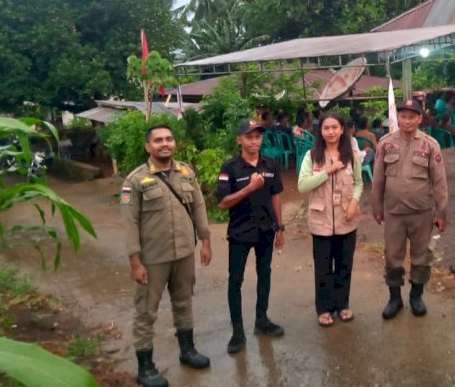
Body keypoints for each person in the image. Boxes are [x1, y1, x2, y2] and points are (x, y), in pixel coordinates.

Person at [120, 125, 212, 387]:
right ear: (148, 146)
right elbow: (129, 223)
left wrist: (205, 239)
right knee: (146, 311)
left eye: (169, 139)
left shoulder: (185, 172)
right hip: (153, 258)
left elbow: (199, 206)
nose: (165, 144)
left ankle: (188, 350)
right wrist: (134, 261)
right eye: (158, 140)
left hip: (184, 252)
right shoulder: (135, 181)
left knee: (183, 302)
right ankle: (146, 366)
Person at [371, 98, 448, 319]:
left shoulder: (430, 144)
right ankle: (394, 298)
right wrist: (377, 207)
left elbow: (440, 182)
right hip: (393, 213)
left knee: (421, 256)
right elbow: (377, 180)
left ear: (419, 119)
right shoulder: (385, 143)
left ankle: (416, 296)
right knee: (393, 257)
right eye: (403, 116)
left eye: (411, 116)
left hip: (422, 212)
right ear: (398, 118)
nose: (406, 121)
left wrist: (441, 212)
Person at [215, 120, 285, 355]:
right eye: (249, 137)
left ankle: (261, 320)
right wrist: (249, 188)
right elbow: (223, 203)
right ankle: (237, 332)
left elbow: (276, 195)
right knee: (235, 280)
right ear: (239, 140)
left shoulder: (270, 163)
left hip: (266, 229)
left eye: (257, 137)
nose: (254, 141)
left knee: (265, 275)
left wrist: (280, 226)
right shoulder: (230, 168)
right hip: (240, 232)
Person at [297, 113, 363, 327]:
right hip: (321, 221)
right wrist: (327, 171)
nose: (331, 131)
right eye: (326, 128)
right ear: (321, 131)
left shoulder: (352, 155)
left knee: (344, 265)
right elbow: (303, 186)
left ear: (343, 129)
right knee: (323, 267)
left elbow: (359, 183)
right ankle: (324, 309)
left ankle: (342, 304)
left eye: (335, 127)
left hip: (346, 219)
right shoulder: (312, 156)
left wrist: (354, 201)